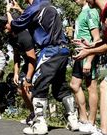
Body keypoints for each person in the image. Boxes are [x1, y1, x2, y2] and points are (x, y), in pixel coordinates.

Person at [6, 0, 79, 134]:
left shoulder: (34, 7)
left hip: (49, 51)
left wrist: (8, 11)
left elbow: (14, 25)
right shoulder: (46, 5)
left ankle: (40, 124)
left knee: (38, 85)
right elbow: (35, 20)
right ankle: (73, 120)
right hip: (63, 51)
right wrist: (20, 10)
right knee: (60, 87)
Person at [73, 0, 107, 134]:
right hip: (84, 53)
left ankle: (93, 124)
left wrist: (89, 54)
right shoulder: (102, 12)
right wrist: (91, 46)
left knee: (97, 86)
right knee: (76, 85)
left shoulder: (92, 12)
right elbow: (103, 40)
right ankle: (93, 124)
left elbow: (97, 36)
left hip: (88, 57)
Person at [0, 10, 36, 125]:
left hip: (37, 62)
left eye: (6, 23)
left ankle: (39, 117)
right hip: (28, 63)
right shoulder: (11, 38)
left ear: (13, 23)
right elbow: (16, 56)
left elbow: (32, 59)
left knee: (31, 88)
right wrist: (16, 73)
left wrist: (28, 78)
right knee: (21, 89)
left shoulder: (25, 36)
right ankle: (33, 114)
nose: (3, 25)